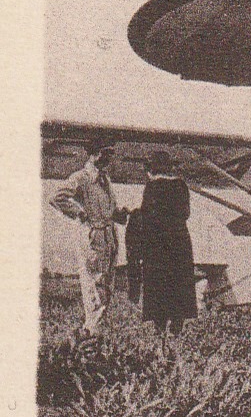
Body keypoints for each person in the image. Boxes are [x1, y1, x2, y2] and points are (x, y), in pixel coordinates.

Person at [50, 141, 125, 336]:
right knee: (95, 286)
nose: (109, 157)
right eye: (105, 152)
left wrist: (119, 214)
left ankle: (91, 333)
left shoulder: (104, 179)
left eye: (110, 153)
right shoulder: (81, 178)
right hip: (93, 238)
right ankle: (91, 334)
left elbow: (110, 209)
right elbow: (57, 198)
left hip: (109, 236)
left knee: (106, 286)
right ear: (93, 154)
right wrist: (79, 213)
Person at [134, 152, 197, 336]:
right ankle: (177, 328)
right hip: (179, 240)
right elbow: (186, 213)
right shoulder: (181, 185)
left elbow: (147, 215)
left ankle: (160, 329)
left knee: (158, 285)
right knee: (179, 283)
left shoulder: (152, 187)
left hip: (158, 243)